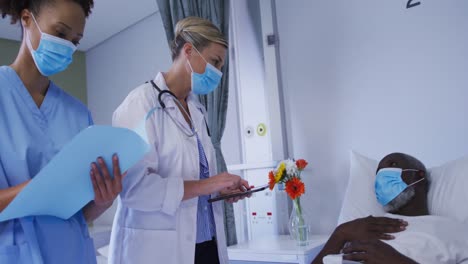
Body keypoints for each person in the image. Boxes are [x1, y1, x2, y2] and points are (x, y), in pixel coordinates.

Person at [108, 16, 251, 264]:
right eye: (215, 61)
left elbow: (199, 182)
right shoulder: (141, 104)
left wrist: (220, 190)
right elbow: (134, 189)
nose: (219, 72)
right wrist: (208, 184)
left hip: (206, 246)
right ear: (188, 51)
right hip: (159, 252)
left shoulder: (197, 111)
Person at [0, 0, 124, 263]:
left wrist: (103, 200)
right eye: (59, 33)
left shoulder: (78, 114)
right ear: (26, 19)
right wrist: (43, 187)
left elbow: (80, 214)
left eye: (75, 41)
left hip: (74, 252)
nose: (67, 46)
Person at [312, 153, 428, 264]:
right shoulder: (362, 228)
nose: (382, 177)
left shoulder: (442, 228)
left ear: (419, 175)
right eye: (378, 173)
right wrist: (340, 234)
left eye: (393, 164)